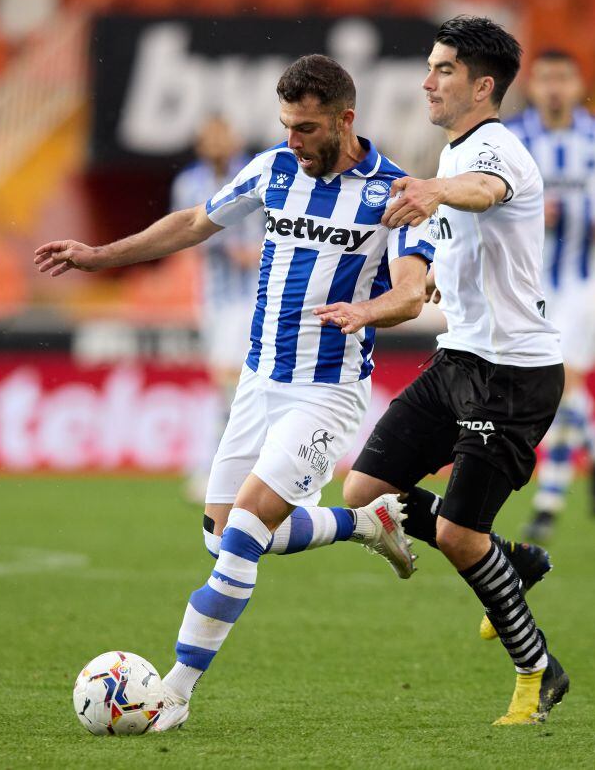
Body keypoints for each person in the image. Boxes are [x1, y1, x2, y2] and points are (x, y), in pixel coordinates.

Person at [35, 54, 435, 731]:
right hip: (259, 381)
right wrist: (101, 256)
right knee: (223, 536)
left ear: (346, 118)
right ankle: (367, 521)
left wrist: (369, 313)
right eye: (285, 126)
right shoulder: (274, 169)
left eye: (306, 128)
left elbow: (412, 289)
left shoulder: (394, 192)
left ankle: (175, 692)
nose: (293, 141)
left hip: (327, 391)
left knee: (246, 531)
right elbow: (195, 222)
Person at [341, 15, 569, 726]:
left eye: (443, 70)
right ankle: (514, 562)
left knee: (457, 535)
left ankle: (538, 675)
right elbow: (465, 227)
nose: (427, 80)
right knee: (364, 490)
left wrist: (438, 195)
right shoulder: (455, 151)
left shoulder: (497, 151)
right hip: (460, 360)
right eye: (430, 66)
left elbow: (486, 191)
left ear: (483, 85)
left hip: (512, 374)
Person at [505, 50, 595, 543]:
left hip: (587, 280)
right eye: (546, 79)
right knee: (559, 386)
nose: (555, 88)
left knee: (561, 381)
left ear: (577, 82)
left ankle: (547, 503)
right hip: (534, 281)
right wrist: (526, 214)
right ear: (533, 86)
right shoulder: (515, 139)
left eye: (564, 77)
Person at [169, 117, 264, 501]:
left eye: (223, 134)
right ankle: (220, 468)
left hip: (257, 295)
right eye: (210, 136)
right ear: (199, 143)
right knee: (229, 387)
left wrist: (257, 252)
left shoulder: (259, 172)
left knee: (236, 384)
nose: (218, 142)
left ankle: (213, 469)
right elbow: (187, 233)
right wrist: (227, 248)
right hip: (215, 300)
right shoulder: (189, 183)